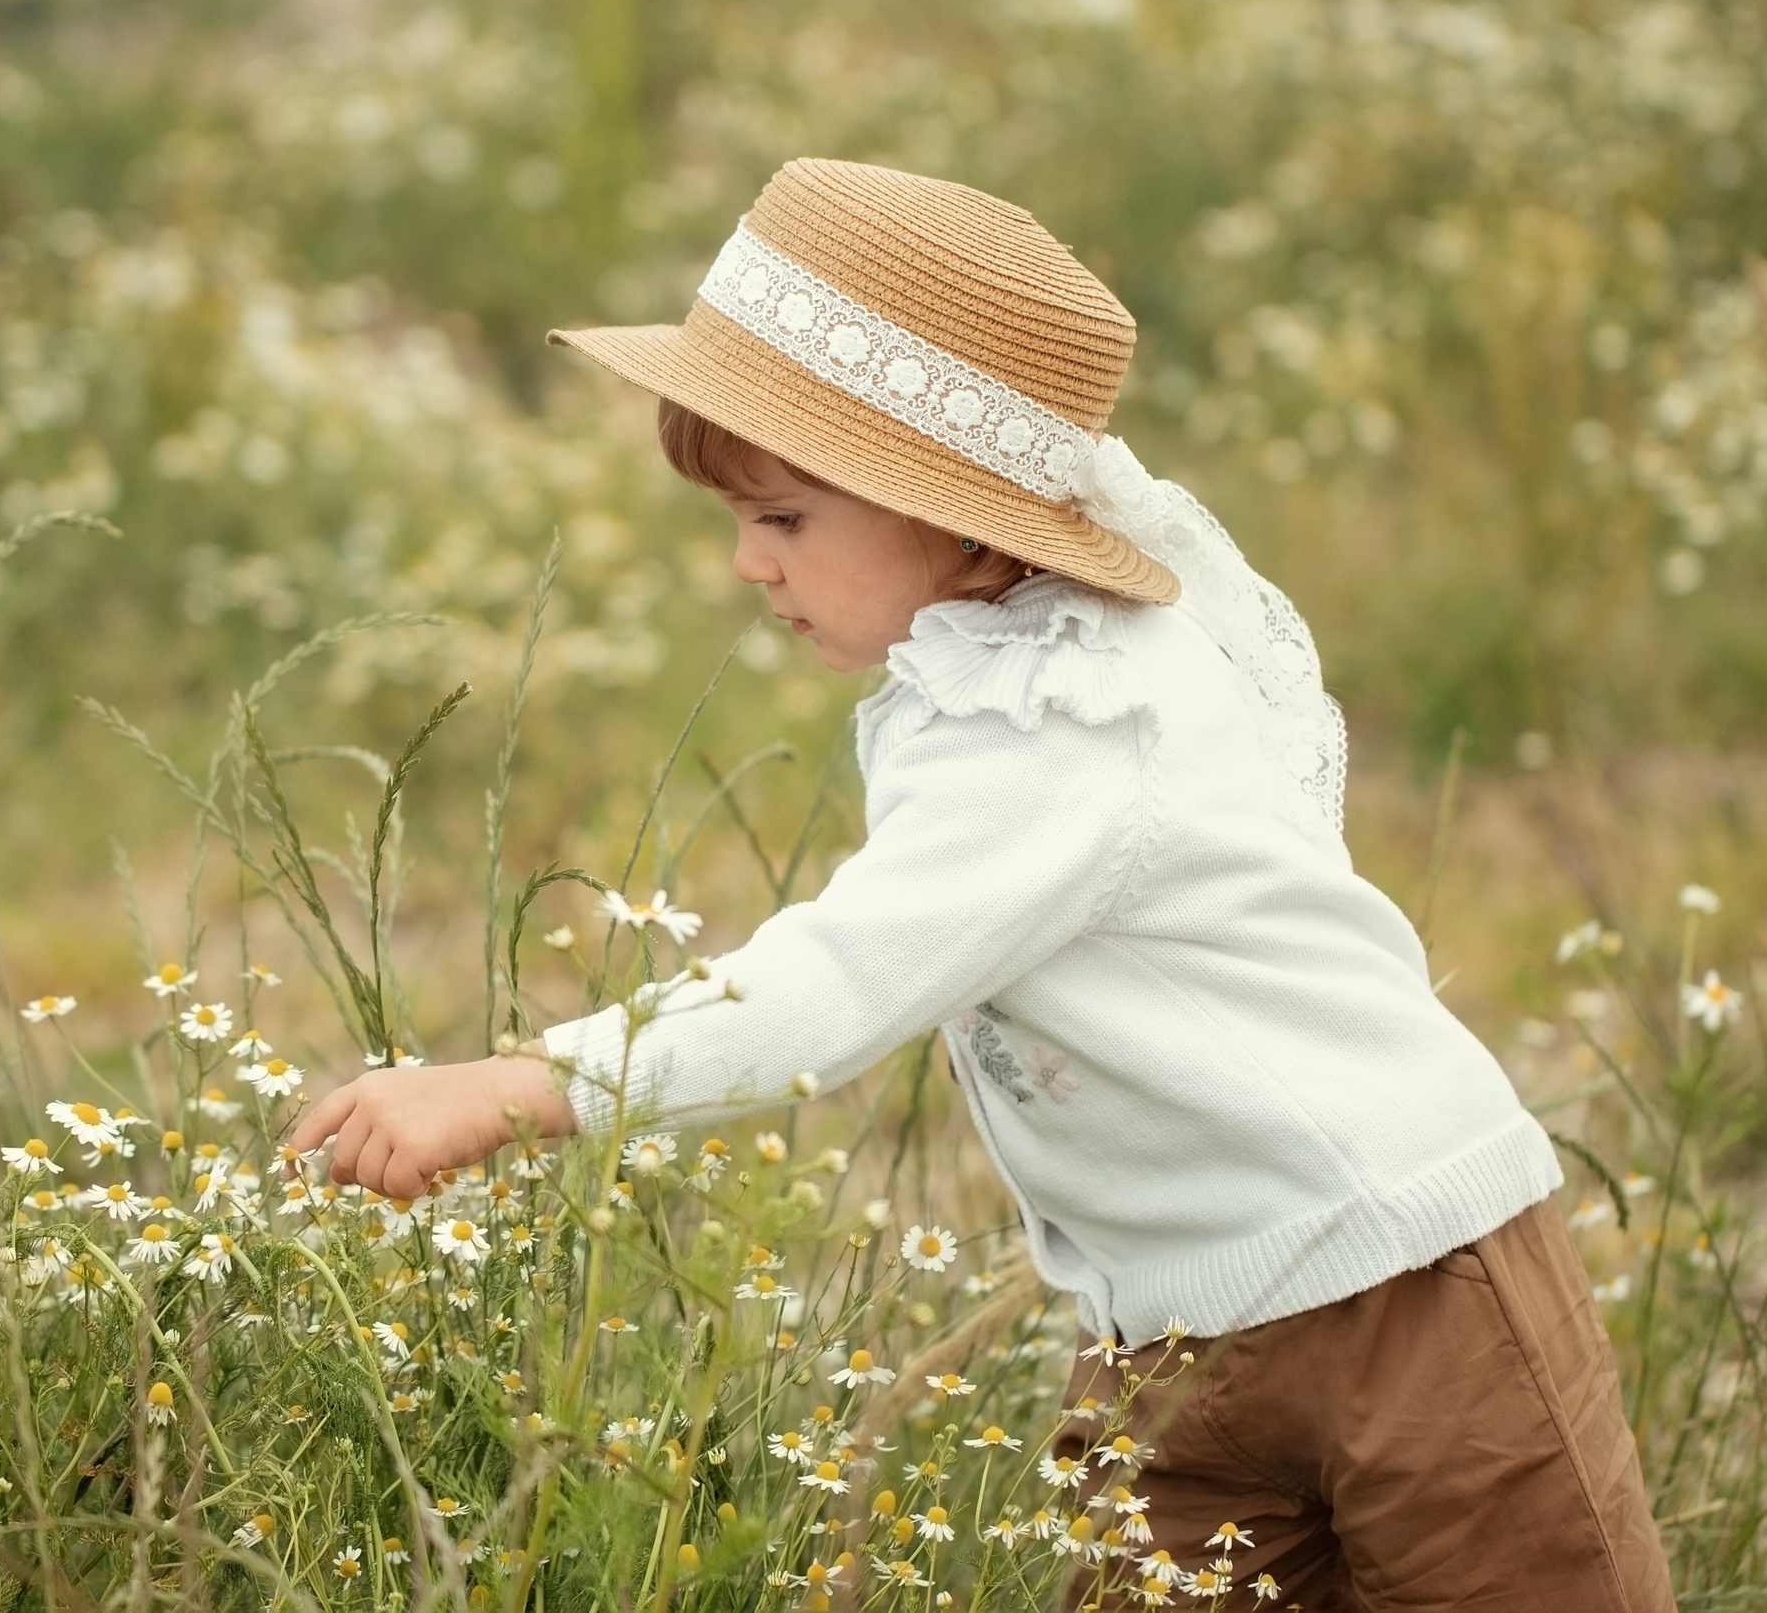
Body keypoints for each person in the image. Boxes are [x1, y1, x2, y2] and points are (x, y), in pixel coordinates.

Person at [290, 158, 1674, 1609]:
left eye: (784, 518)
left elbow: (838, 980)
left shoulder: (1071, 715)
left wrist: (530, 1081)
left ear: (956, 511)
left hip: (1409, 1286)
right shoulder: (989, 681)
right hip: (1177, 1334)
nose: (749, 569)